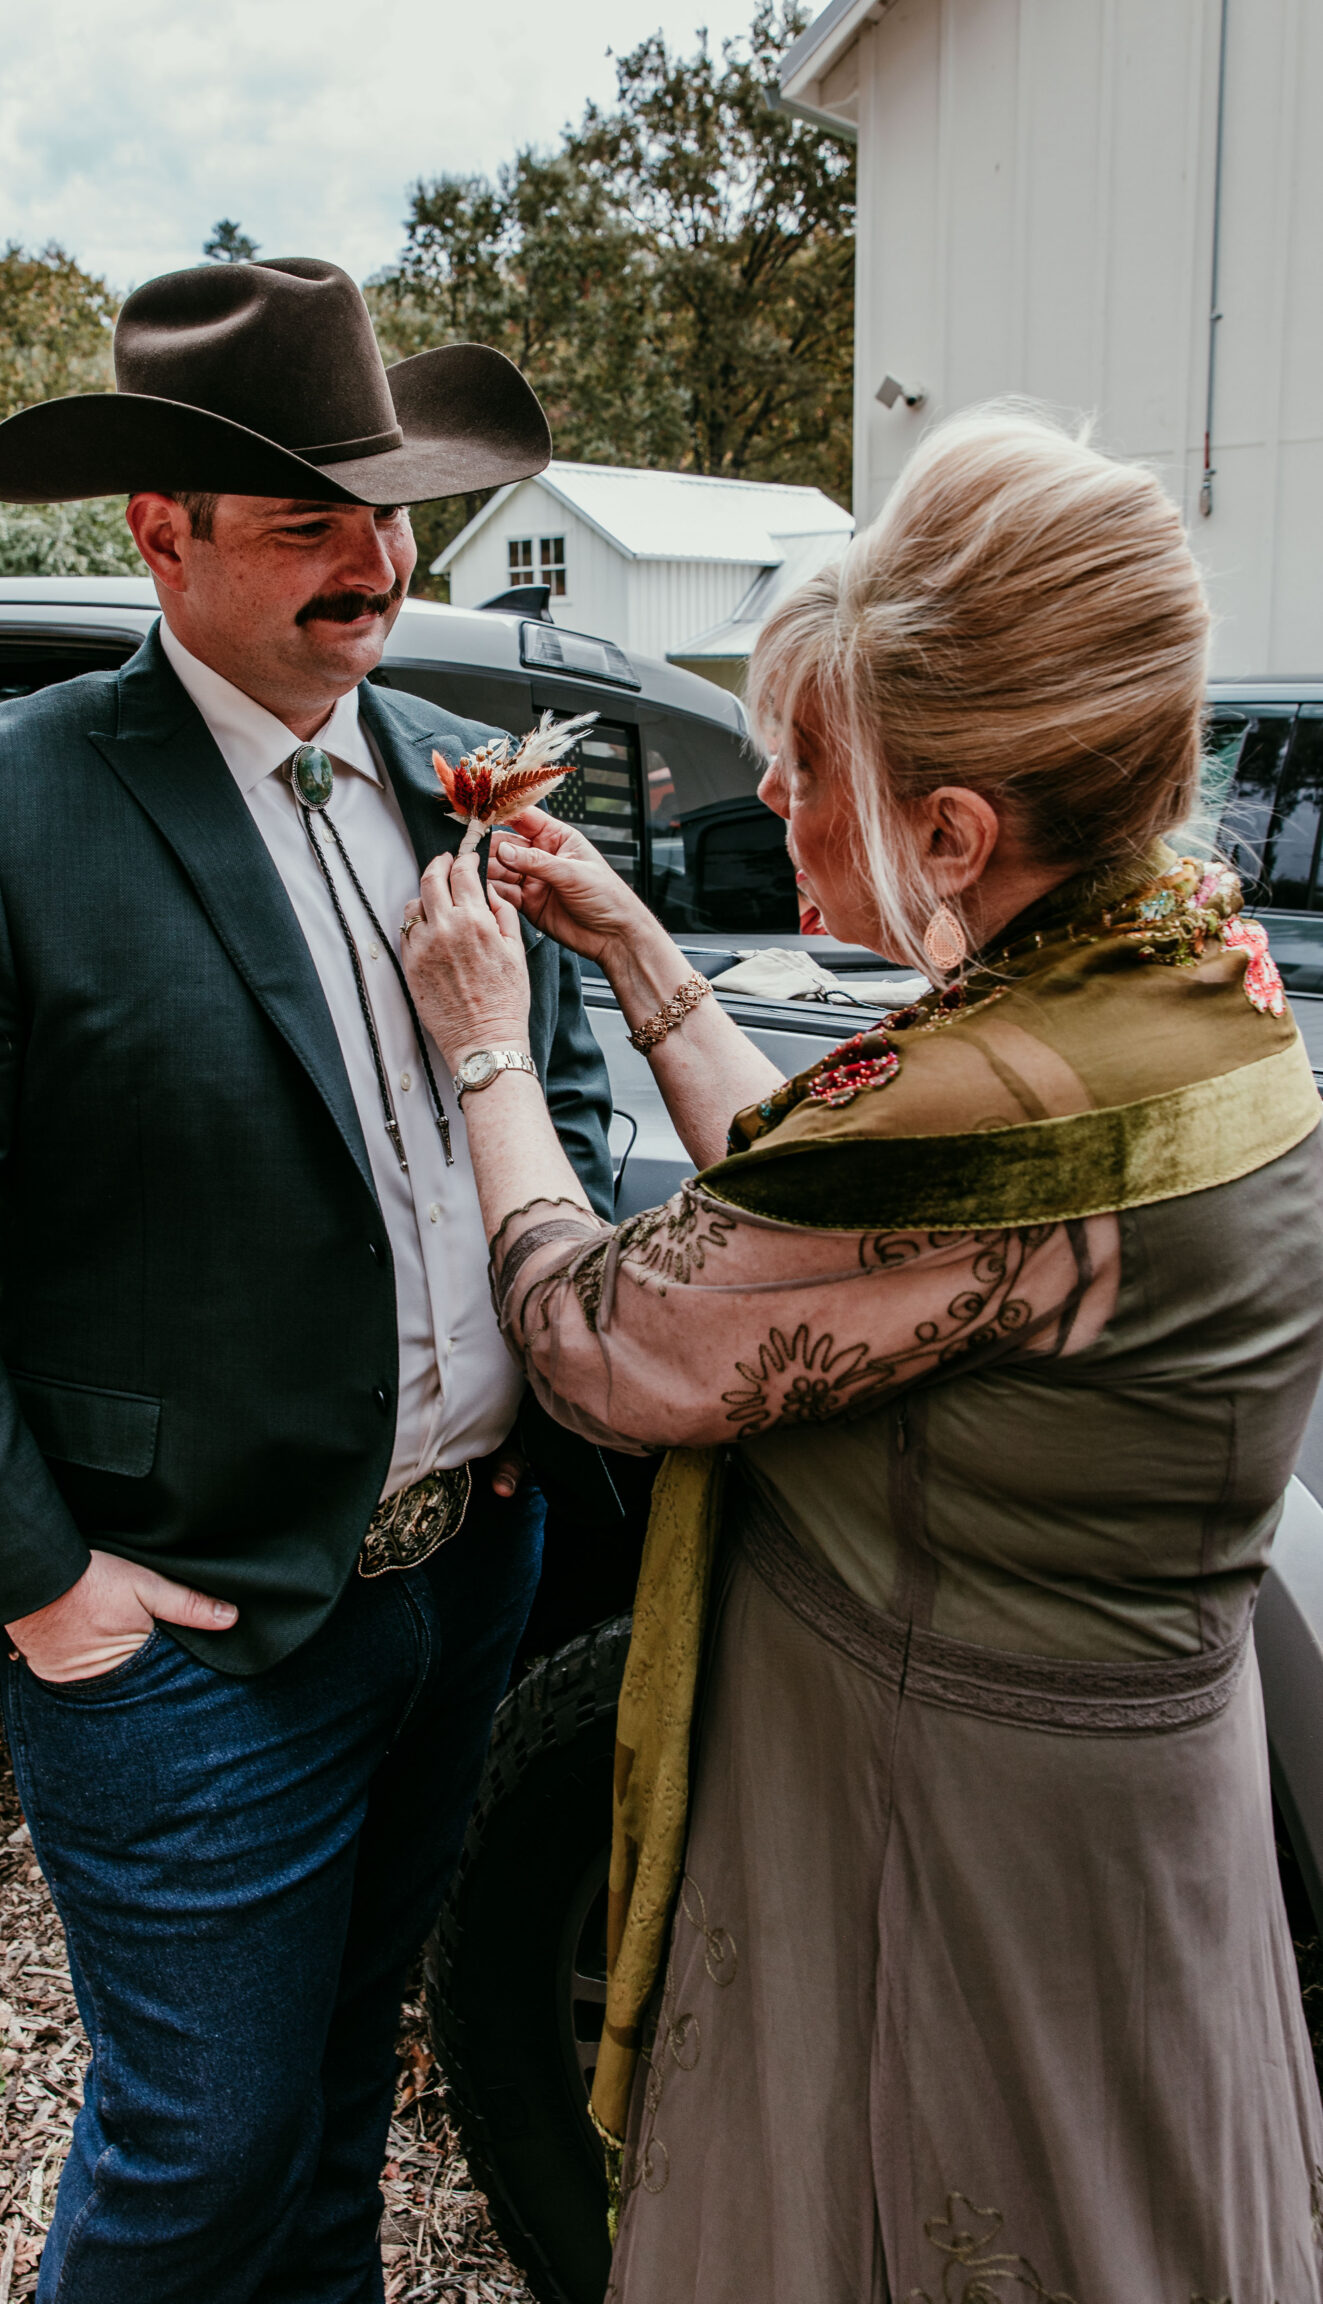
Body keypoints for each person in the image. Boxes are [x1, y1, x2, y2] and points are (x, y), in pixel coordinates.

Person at [399, 403, 1323, 2300]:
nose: (777, 814)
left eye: (808, 770)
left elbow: (615, 1336)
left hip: (964, 1847)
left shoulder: (994, 1109)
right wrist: (647, 962)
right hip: (1134, 1806)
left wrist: (488, 1040)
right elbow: (852, 1254)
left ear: (954, 830)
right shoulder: (1182, 975)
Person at [0, 256, 614, 2304]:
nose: (372, 559)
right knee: (197, 2150)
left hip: (462, 1580)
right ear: (164, 529)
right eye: (309, 517)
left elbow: (547, 1061)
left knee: (331, 2104)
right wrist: (51, 1591)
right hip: (191, 1629)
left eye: (388, 508)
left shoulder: (443, 767)